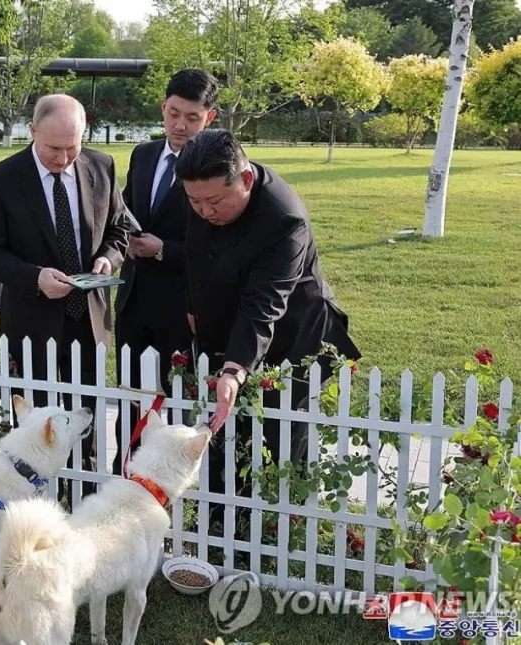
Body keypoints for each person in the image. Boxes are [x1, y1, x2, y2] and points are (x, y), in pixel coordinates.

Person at [176, 128, 361, 527]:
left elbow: (264, 306)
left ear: (244, 180)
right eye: (194, 201)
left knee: (281, 440)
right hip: (228, 328)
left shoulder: (283, 220)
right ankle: (220, 526)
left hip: (292, 340)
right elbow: (195, 254)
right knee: (224, 434)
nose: (204, 211)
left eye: (214, 201)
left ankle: (277, 529)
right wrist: (195, 306)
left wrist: (234, 369)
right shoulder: (202, 191)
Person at [0, 94, 129, 498]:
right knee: (36, 425)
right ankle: (36, 503)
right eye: (54, 148)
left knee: (86, 419)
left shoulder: (101, 165)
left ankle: (84, 501)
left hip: (88, 319)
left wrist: (108, 261)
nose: (63, 158)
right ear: (33, 131)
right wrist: (34, 276)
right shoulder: (0, 180)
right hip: (31, 322)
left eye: (71, 147)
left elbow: (119, 230)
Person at [111, 69, 219, 475]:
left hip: (183, 304)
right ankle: (127, 474)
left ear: (210, 117)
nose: (180, 125)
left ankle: (173, 484)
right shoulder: (143, 155)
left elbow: (218, 241)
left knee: (176, 405)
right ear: (163, 107)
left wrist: (163, 251)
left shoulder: (216, 164)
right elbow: (123, 211)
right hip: (134, 301)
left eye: (192, 117)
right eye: (174, 113)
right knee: (132, 399)